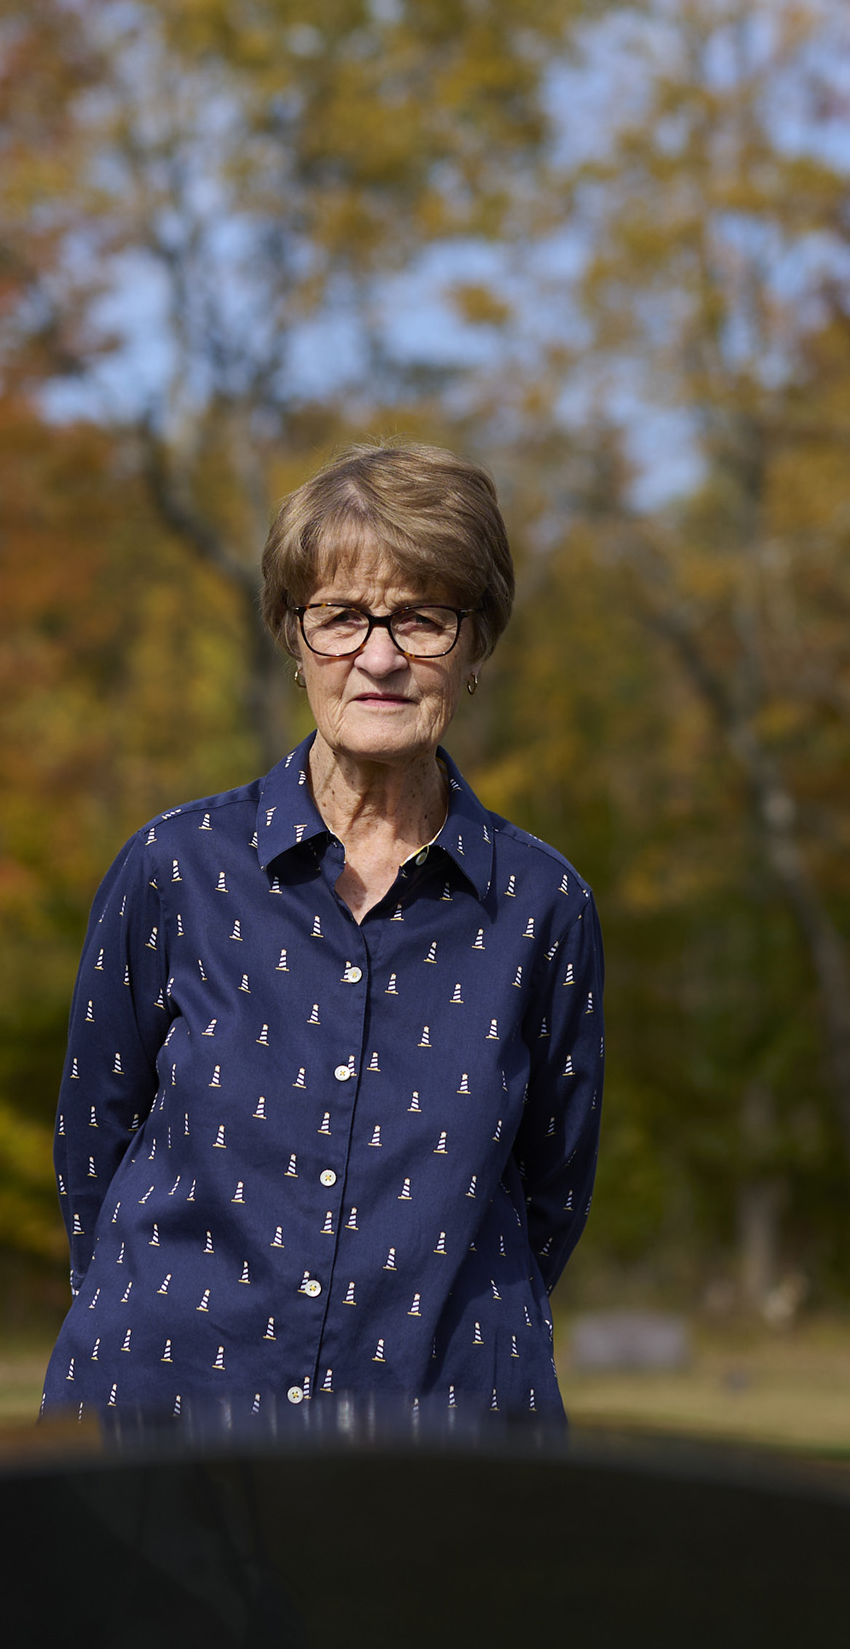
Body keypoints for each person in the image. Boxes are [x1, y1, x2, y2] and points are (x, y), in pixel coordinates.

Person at [43, 444, 602, 1434]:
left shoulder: (541, 905)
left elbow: (550, 1191)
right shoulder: (174, 869)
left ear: (476, 648)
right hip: (161, 1427)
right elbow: (92, 1143)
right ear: (292, 636)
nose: (378, 656)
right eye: (342, 616)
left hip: (444, 1445)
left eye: (422, 617)